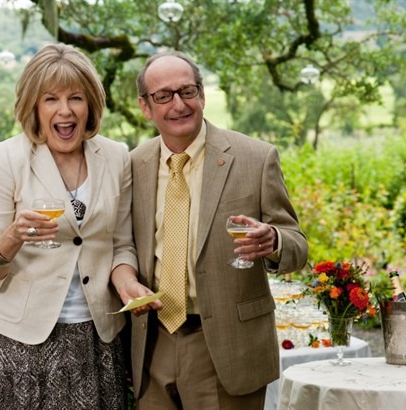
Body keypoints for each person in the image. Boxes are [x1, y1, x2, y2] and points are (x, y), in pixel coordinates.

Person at [0, 43, 156, 409]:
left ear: (91, 106)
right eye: (51, 98)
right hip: (20, 342)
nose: (65, 110)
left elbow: (120, 244)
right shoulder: (6, 160)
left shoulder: (116, 157)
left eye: (76, 98)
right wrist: (12, 238)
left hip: (96, 337)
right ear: (34, 107)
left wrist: (128, 285)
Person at [129, 50, 309, 409]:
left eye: (187, 91)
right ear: (145, 107)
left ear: (202, 95)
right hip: (152, 345)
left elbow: (297, 247)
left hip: (228, 348)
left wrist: (274, 240)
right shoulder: (134, 165)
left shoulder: (255, 158)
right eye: (164, 96)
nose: (179, 104)